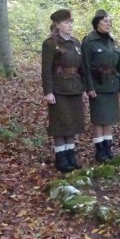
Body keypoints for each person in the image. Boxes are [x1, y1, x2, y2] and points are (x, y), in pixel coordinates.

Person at [41, 9, 86, 173]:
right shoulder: (50, 44)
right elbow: (46, 70)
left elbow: (81, 68)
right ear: (57, 25)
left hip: (74, 87)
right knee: (60, 124)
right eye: (66, 22)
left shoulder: (76, 43)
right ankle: (61, 157)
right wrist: (48, 91)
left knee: (72, 122)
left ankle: (70, 155)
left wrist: (85, 87)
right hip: (58, 89)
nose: (70, 25)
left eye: (71, 22)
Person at [82, 10, 120, 162]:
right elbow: (85, 66)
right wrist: (89, 87)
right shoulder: (89, 41)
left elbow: (119, 65)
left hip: (112, 84)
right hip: (98, 85)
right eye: (105, 21)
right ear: (97, 22)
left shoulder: (111, 41)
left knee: (109, 118)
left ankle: (108, 147)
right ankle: (99, 150)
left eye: (109, 21)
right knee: (99, 119)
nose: (108, 24)